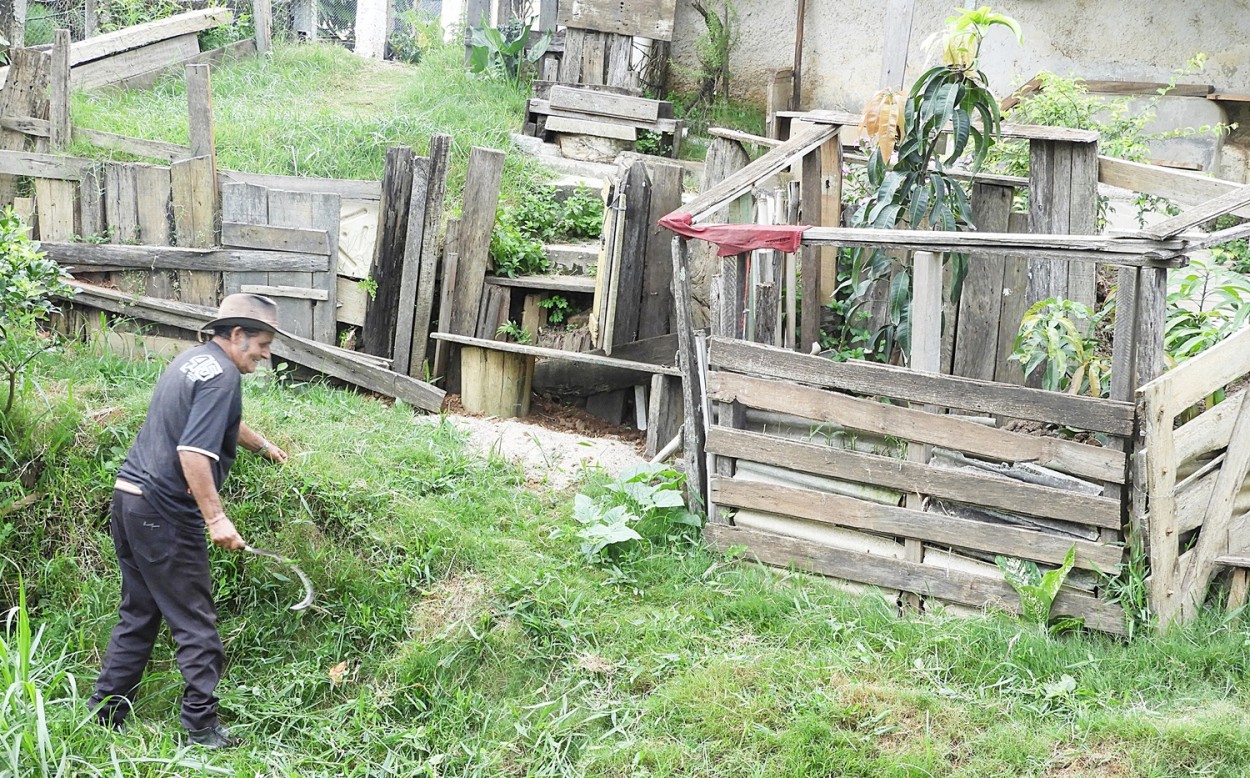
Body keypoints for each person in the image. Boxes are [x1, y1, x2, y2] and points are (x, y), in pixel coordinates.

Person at [90, 294, 290, 749]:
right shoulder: (223, 378)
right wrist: (216, 518)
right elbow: (193, 451)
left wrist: (262, 446)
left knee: (139, 613)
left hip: (129, 500)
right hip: (164, 512)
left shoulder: (194, 362)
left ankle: (106, 712)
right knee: (196, 623)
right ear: (236, 336)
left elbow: (212, 422)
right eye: (262, 343)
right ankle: (201, 726)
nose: (265, 354)